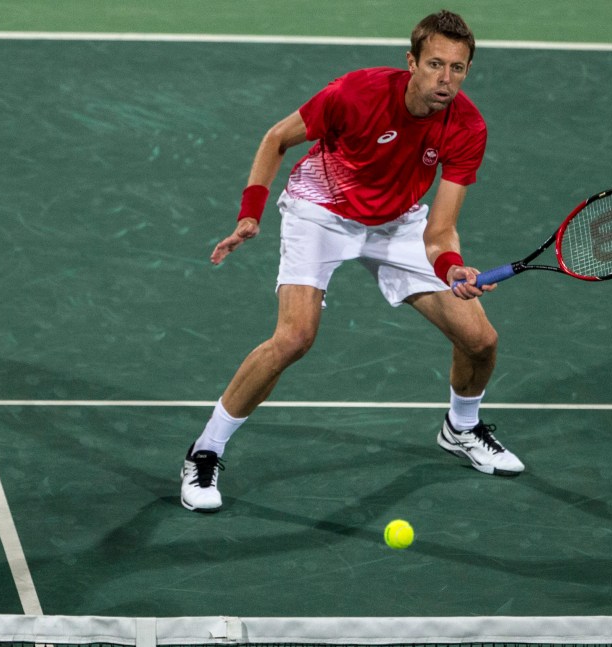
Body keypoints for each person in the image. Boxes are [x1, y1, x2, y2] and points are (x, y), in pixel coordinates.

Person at [180, 10, 524, 513]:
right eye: (434, 64)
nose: (445, 79)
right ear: (411, 62)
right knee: (295, 337)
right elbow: (276, 138)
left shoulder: (468, 126)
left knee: (481, 341)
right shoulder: (355, 93)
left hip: (398, 221)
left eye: (457, 68)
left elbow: (441, 227)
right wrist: (250, 213)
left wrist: (450, 265)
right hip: (320, 209)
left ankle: (462, 428)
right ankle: (205, 449)